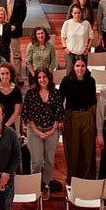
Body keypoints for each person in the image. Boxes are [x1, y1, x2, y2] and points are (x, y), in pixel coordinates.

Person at [22, 68, 64, 200]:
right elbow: (26, 114)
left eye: (44, 77)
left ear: (49, 78)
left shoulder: (56, 93)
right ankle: (35, 185)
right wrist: (37, 131)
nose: (42, 80)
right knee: (37, 161)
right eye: (39, 77)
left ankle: (46, 185)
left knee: (49, 161)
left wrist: (52, 130)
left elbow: (59, 113)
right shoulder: (31, 93)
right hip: (34, 131)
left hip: (52, 130)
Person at [59, 58, 97, 183]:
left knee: (88, 148)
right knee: (72, 150)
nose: (80, 68)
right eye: (77, 65)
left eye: (82, 66)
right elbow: (59, 101)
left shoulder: (91, 81)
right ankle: (72, 180)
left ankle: (87, 179)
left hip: (87, 115)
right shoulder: (66, 81)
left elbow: (93, 102)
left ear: (86, 67)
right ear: (73, 67)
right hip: (71, 116)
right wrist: (60, 120)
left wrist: (95, 121)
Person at [0, 0, 27, 76]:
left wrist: (15, 26)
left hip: (15, 30)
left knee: (16, 53)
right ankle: (4, 72)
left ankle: (17, 74)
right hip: (3, 30)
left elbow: (23, 14)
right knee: (3, 52)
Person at [0, 62, 22, 129]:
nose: (5, 76)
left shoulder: (16, 90)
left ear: (11, 74)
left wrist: (6, 125)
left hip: (10, 125)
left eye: (7, 73)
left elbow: (16, 111)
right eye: (2, 74)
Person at [61, 4, 94, 72]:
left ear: (81, 13)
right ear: (72, 13)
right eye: (75, 13)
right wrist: (65, 47)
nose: (77, 15)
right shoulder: (67, 23)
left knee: (82, 73)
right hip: (70, 53)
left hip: (82, 53)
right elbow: (63, 37)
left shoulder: (86, 24)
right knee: (69, 73)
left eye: (79, 13)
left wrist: (88, 48)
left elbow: (91, 37)